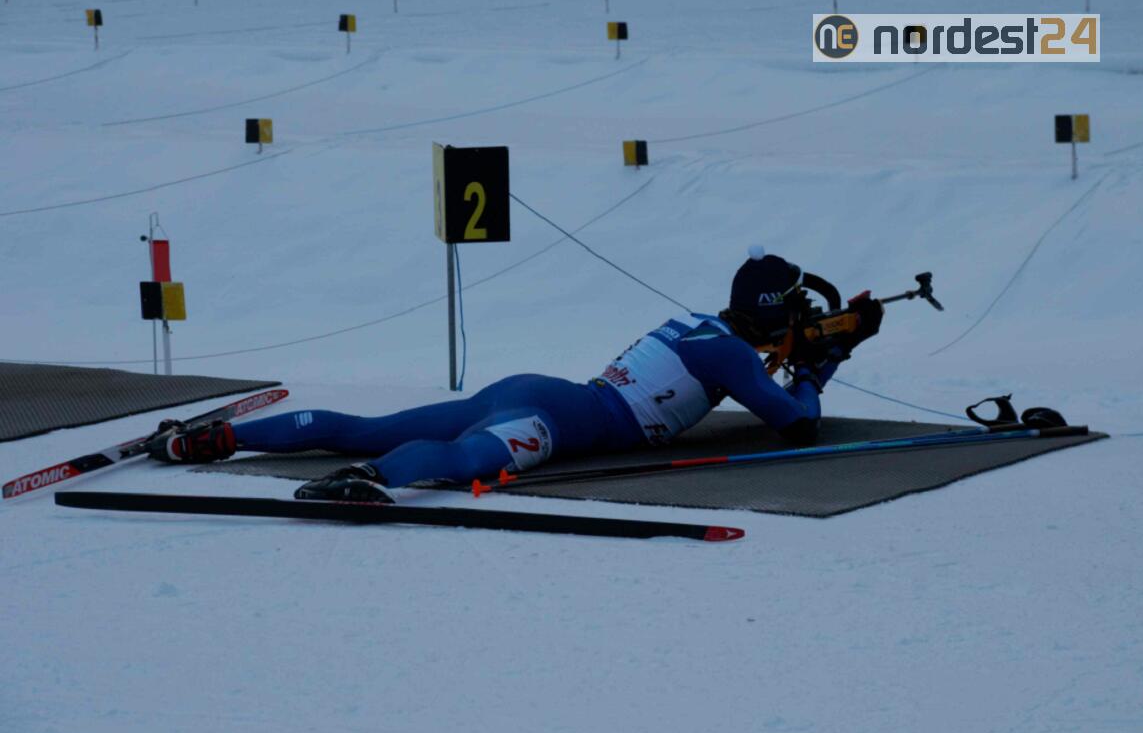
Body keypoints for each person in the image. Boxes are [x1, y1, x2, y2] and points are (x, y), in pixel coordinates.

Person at [149, 247, 883, 503]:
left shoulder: (702, 324)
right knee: (471, 459)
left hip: (538, 391)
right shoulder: (729, 354)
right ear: (774, 312)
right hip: (557, 420)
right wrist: (826, 362)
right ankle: (373, 479)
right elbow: (797, 424)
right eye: (797, 311)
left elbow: (762, 369)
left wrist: (815, 349)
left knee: (366, 424)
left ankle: (216, 437)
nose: (802, 320)